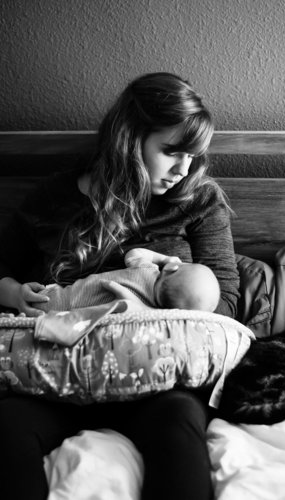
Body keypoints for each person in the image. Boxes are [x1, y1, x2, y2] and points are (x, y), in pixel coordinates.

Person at [0, 72, 240, 500]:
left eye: (193, 156)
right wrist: (13, 293)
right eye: (171, 152)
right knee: (6, 427)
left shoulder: (197, 201)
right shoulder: (52, 200)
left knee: (180, 423)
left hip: (156, 383)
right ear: (129, 140)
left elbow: (225, 305)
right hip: (57, 376)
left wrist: (163, 297)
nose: (184, 169)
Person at [34, 247, 221, 313]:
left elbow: (134, 253)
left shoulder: (146, 269)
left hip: (61, 297)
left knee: (37, 300)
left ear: (173, 268)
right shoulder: (152, 311)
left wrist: (163, 259)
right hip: (70, 319)